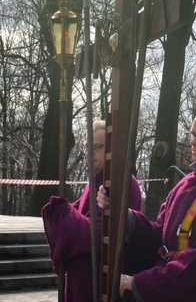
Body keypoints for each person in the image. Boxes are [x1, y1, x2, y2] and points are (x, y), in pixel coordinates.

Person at [97, 106, 196, 302]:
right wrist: (123, 214)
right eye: (192, 134)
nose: (192, 142)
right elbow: (160, 237)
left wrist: (139, 284)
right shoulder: (187, 182)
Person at [42, 120, 142, 302]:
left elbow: (107, 233)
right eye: (88, 147)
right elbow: (80, 210)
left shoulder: (121, 181)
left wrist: (62, 215)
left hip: (101, 279)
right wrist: (61, 211)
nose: (90, 152)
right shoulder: (94, 179)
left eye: (97, 147)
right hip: (81, 277)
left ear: (111, 149)